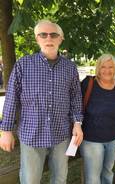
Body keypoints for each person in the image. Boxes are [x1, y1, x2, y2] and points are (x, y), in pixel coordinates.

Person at [0, 20, 83, 184]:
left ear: (61, 39)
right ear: (37, 38)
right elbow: (11, 98)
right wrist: (6, 130)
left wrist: (77, 123)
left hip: (61, 133)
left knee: (60, 178)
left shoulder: (70, 68)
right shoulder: (23, 65)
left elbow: (76, 97)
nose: (48, 38)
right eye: (43, 34)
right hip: (32, 134)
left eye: (53, 34)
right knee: (30, 180)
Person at [80, 54, 115, 184]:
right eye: (103, 67)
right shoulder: (88, 83)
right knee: (93, 177)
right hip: (91, 140)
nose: (107, 70)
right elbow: (75, 106)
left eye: (111, 67)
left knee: (107, 172)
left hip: (113, 139)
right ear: (98, 68)